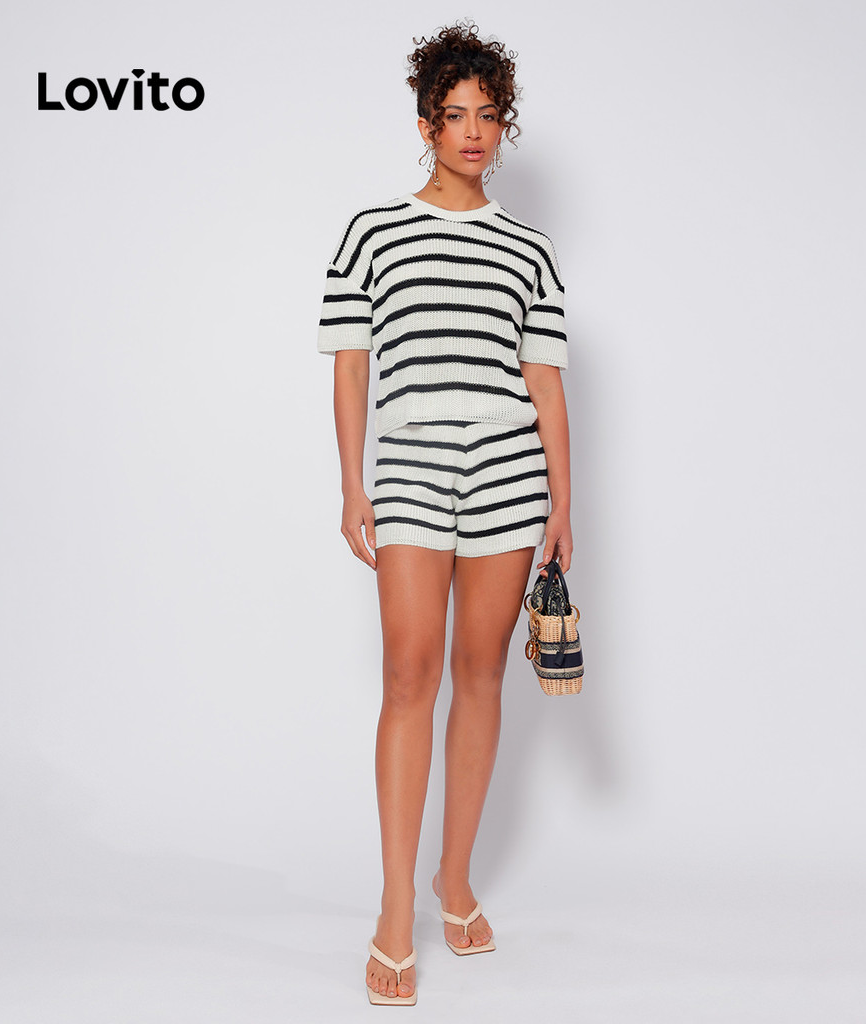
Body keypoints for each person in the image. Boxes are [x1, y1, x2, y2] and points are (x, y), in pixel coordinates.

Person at [316, 21, 573, 1005]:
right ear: (425, 123)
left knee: (481, 673)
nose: (472, 130)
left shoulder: (529, 248)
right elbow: (351, 366)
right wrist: (354, 484)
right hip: (413, 468)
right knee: (408, 672)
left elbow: (544, 380)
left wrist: (562, 500)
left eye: (488, 114)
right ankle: (395, 910)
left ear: (504, 126)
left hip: (510, 472)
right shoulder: (372, 231)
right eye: (454, 113)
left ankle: (452, 879)